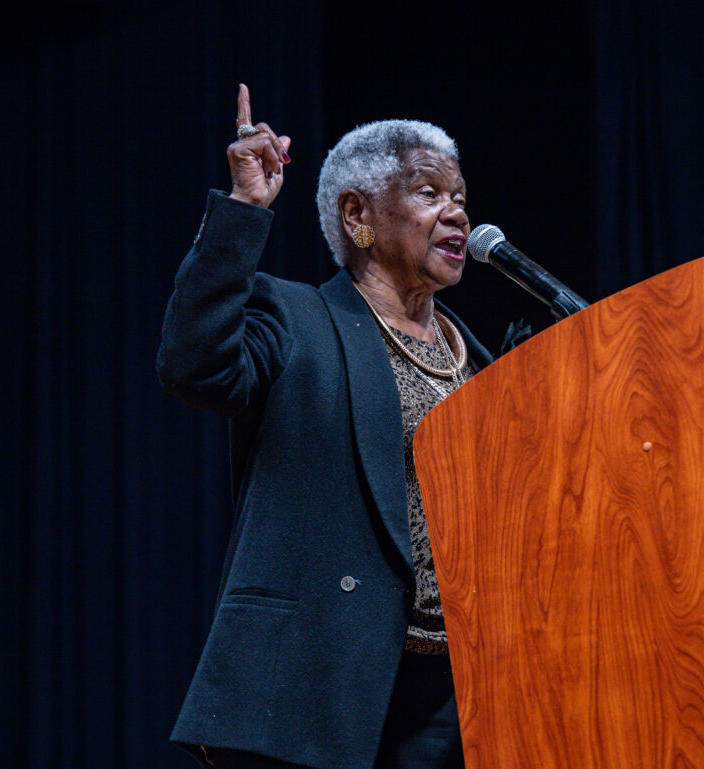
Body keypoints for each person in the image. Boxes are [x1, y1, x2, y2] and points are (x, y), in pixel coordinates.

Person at [157, 84, 495, 769]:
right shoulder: (296, 319)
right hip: (312, 680)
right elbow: (194, 365)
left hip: (452, 696)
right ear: (358, 214)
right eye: (430, 193)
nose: (456, 210)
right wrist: (243, 212)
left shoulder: (481, 361)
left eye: (459, 196)